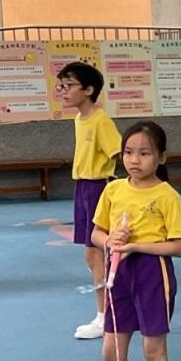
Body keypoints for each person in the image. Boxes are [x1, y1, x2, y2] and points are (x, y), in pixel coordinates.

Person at [92, 122, 181, 361]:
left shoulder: (167, 196)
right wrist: (111, 240)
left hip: (152, 272)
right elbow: (96, 234)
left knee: (152, 347)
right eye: (128, 152)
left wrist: (137, 246)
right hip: (118, 272)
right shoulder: (113, 190)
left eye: (145, 153)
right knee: (111, 350)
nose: (134, 160)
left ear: (161, 157)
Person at [57, 62, 121, 340]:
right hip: (82, 187)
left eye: (69, 85)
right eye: (62, 85)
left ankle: (106, 317)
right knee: (91, 254)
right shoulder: (79, 119)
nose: (64, 91)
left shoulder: (101, 120)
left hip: (99, 187)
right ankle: (106, 314)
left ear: (89, 89)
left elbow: (120, 153)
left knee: (98, 254)